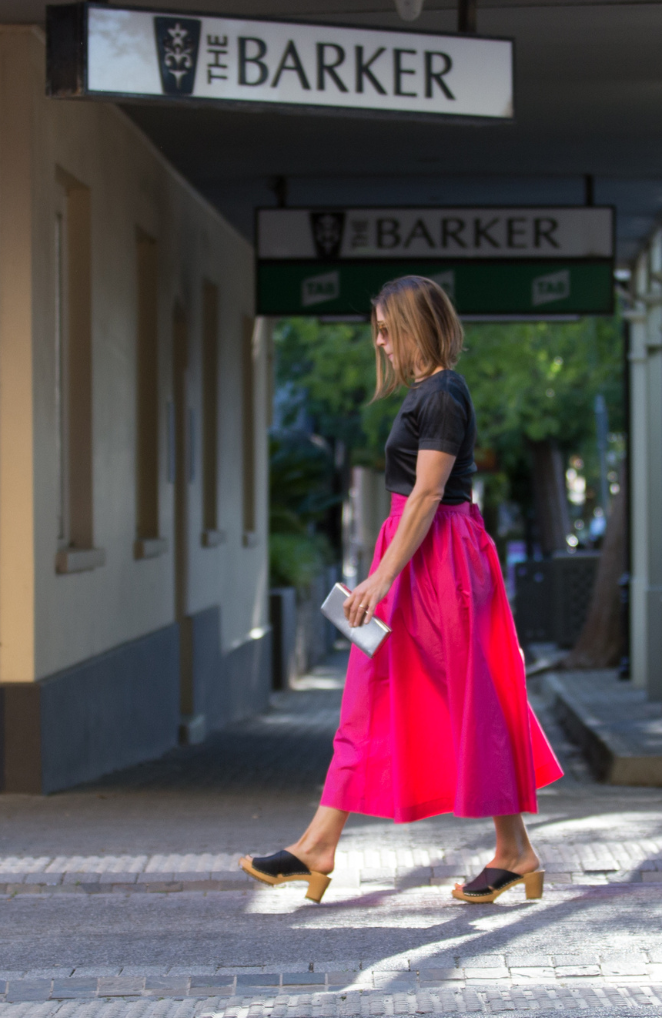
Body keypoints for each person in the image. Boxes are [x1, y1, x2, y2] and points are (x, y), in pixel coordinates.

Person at [241, 276, 563, 904]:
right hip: (421, 559)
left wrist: (381, 574)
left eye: (388, 330)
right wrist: (387, 570)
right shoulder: (428, 394)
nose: (381, 343)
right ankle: (320, 846)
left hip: (437, 562)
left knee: (470, 701)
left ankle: (511, 850)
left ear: (417, 326)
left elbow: (428, 494)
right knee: (381, 698)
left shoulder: (442, 394)